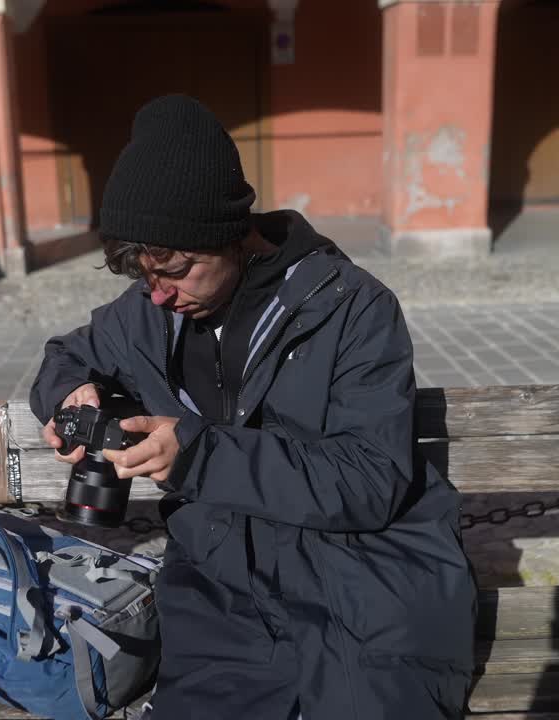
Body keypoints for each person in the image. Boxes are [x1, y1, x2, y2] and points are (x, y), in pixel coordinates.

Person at [30, 95, 476, 720]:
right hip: (223, 590)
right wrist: (66, 393)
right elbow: (65, 355)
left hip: (364, 580)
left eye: (176, 269)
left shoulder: (350, 308)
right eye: (140, 272)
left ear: (232, 236)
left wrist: (199, 457)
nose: (158, 295)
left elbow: (370, 480)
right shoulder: (147, 314)